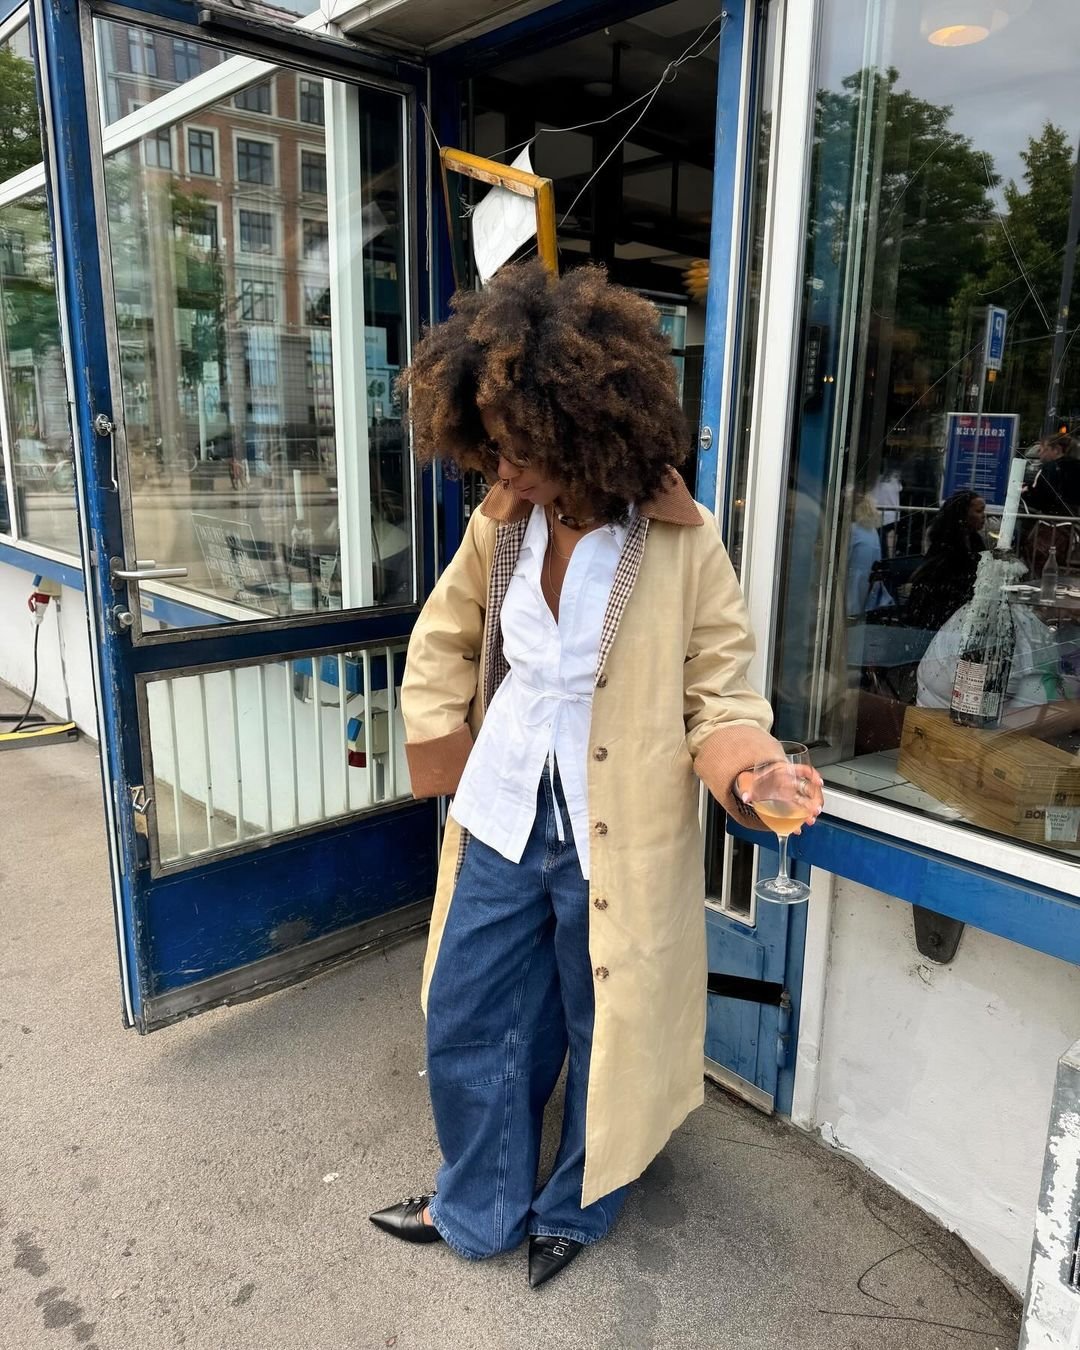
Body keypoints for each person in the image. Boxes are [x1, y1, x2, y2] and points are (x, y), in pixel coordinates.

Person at [368, 260, 824, 1287]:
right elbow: (446, 635)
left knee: (605, 1022)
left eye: (523, 452)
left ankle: (582, 1200)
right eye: (493, 449)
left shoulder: (677, 541)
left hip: (615, 819)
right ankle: (475, 1205)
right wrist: (441, 744)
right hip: (501, 806)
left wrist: (750, 772)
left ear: (587, 431)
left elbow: (722, 689)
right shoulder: (504, 519)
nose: (505, 471)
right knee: (471, 1010)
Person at [905, 490, 988, 632]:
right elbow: (947, 587)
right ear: (963, 513)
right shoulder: (946, 544)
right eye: (979, 511)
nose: (984, 517)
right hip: (939, 614)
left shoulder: (974, 540)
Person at [1022, 432, 1080, 571]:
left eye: (1043, 449)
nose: (1040, 454)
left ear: (1056, 449)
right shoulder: (1077, 467)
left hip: (1052, 525)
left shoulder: (1049, 469)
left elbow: (1039, 497)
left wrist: (1025, 492)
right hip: (1074, 526)